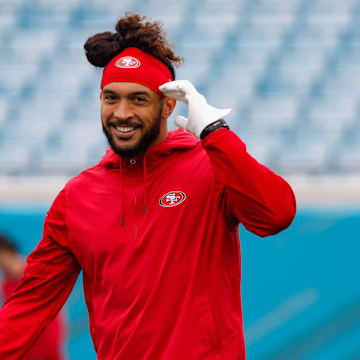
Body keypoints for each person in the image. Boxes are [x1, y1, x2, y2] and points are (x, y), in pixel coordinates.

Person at [0, 13, 296, 359]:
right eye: (111, 97)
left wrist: (217, 134)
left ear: (168, 105)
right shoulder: (76, 197)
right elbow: (27, 307)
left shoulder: (212, 165)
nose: (121, 112)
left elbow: (276, 215)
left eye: (138, 99)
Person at [0, 233, 66, 360]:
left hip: (45, 335)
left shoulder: (33, 269)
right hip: (22, 339)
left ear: (6, 251)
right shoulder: (4, 283)